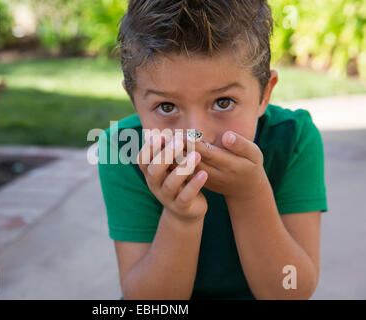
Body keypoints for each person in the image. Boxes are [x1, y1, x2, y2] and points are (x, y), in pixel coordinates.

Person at [98, 0, 328, 300]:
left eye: (223, 102)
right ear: (135, 102)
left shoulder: (294, 139)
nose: (198, 134)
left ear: (264, 94)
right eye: (166, 106)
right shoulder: (122, 150)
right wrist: (181, 217)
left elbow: (290, 291)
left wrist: (249, 193)